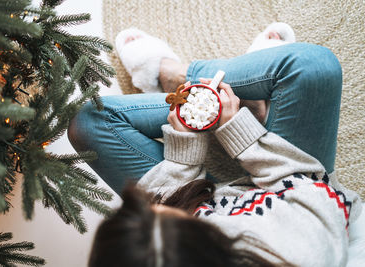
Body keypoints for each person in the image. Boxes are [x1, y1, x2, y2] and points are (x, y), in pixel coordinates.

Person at [68, 24, 362, 266]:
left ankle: (188, 84)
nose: (149, 205)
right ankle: (240, 98)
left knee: (89, 121)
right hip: (296, 190)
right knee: (313, 67)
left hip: (219, 208)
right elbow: (313, 188)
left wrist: (185, 148)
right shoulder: (298, 253)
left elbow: (173, 205)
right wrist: (240, 133)